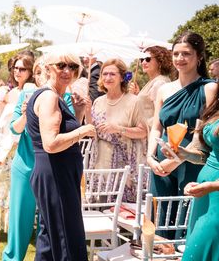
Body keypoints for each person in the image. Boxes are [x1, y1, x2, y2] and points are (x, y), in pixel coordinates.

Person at [26, 52, 104, 261]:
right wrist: (84, 129)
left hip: (57, 176)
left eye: (74, 66)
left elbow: (62, 130)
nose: (68, 70)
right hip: (55, 176)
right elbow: (51, 143)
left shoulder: (58, 97)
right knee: (70, 249)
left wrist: (80, 114)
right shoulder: (48, 98)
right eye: (62, 65)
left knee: (49, 242)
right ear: (48, 67)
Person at [1, 56, 75, 261]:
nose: (43, 76)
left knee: (49, 217)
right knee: (20, 214)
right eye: (39, 72)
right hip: (25, 161)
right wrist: (26, 113)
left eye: (46, 71)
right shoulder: (25, 95)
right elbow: (14, 129)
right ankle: (13, 258)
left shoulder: (65, 96)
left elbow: (68, 128)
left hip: (52, 164)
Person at [147, 32, 217, 207]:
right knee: (160, 220)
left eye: (186, 53)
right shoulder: (163, 89)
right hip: (161, 162)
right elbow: (156, 128)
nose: (180, 58)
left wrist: (176, 160)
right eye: (176, 53)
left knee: (185, 220)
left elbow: (204, 136)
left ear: (199, 57)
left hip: (192, 161)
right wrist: (149, 157)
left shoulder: (210, 88)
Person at [173, 89, 219, 261]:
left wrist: (212, 186)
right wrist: (183, 153)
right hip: (205, 198)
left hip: (215, 198)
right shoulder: (215, 106)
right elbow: (207, 155)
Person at [0, 53, 35, 236]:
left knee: (12, 189)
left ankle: (14, 226)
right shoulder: (9, 92)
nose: (17, 71)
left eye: (22, 68)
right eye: (15, 68)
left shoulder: (32, 92)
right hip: (5, 146)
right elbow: (2, 120)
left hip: (20, 146)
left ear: (30, 71)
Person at [90, 59, 147, 202]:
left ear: (122, 77)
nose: (107, 78)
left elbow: (143, 132)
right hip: (101, 163)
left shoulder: (134, 101)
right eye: (105, 74)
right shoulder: (98, 101)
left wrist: (118, 129)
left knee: (122, 210)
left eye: (112, 74)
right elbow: (93, 130)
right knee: (100, 206)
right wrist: (85, 110)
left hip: (125, 165)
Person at [130, 46, 173, 132]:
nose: (144, 62)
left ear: (160, 62)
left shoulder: (159, 83)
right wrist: (137, 95)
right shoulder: (153, 82)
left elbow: (160, 117)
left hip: (151, 134)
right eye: (142, 59)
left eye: (148, 59)